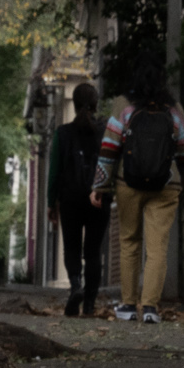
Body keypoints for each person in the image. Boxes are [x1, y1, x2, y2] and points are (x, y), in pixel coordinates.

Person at [93, 67, 184, 321]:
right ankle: (150, 308)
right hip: (166, 186)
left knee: (129, 242)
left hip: (128, 183)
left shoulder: (123, 106)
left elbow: (109, 147)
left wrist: (99, 186)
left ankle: (128, 307)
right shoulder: (173, 109)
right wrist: (182, 183)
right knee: (157, 247)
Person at [47, 82, 110, 317]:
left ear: (73, 105)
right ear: (95, 105)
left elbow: (54, 171)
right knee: (93, 251)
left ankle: (75, 286)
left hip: (70, 197)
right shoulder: (105, 132)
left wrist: (51, 202)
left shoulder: (62, 134)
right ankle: (90, 304)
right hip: (99, 198)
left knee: (71, 247)